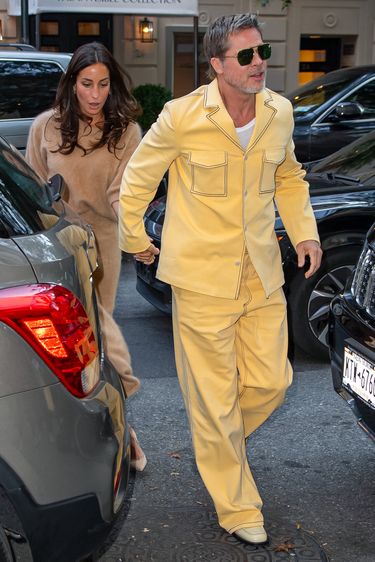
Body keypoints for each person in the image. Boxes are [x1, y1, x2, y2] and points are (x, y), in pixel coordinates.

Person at [118, 13, 323, 543]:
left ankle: (217, 442)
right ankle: (238, 509)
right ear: (216, 64)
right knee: (213, 400)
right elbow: (140, 175)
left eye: (263, 53)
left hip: (260, 273)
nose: (260, 64)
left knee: (274, 382)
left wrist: (306, 232)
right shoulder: (183, 116)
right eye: (246, 56)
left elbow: (290, 175)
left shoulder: (279, 112)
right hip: (202, 279)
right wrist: (133, 236)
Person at [26, 41, 147, 472]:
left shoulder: (126, 132)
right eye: (86, 84)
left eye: (103, 84)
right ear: (72, 84)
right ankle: (119, 425)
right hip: (58, 244)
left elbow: (121, 196)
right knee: (78, 342)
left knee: (94, 333)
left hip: (103, 245)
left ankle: (121, 422)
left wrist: (138, 236)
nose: (95, 94)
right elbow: (37, 192)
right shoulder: (45, 127)